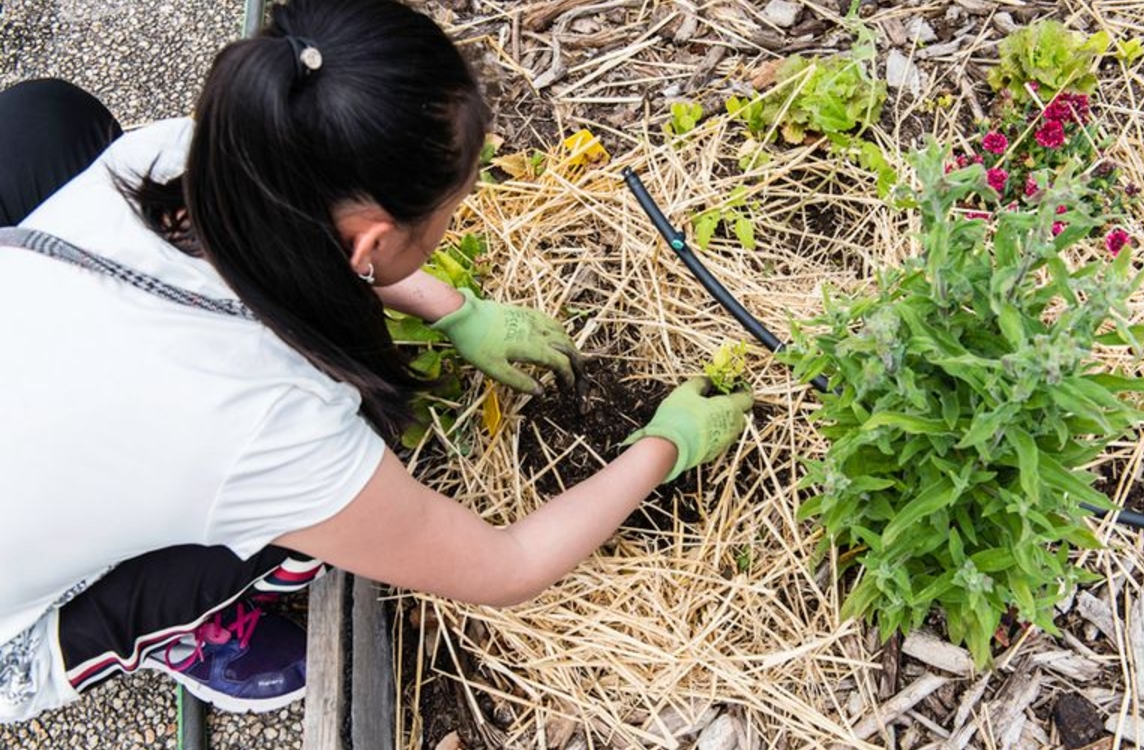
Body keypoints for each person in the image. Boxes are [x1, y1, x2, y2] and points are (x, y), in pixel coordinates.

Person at [0, 0, 754, 722]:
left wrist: (454, 309)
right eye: (450, 213)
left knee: (41, 121)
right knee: (313, 511)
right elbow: (504, 567)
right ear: (372, 242)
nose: (450, 228)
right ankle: (152, 634)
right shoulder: (267, 428)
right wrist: (669, 443)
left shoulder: (175, 154)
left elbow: (305, 245)